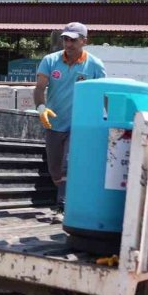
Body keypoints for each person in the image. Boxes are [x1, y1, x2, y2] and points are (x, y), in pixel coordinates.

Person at [34, 22, 106, 206]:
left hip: (80, 124)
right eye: (65, 39)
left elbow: (103, 94)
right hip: (55, 122)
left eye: (73, 40)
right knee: (55, 169)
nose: (68, 44)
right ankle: (63, 196)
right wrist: (41, 108)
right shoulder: (50, 61)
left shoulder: (95, 65)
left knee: (69, 164)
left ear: (84, 41)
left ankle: (64, 205)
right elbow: (40, 87)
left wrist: (108, 118)